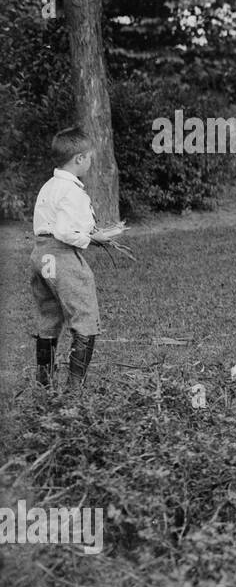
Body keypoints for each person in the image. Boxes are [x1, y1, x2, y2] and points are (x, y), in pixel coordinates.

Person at [30, 127, 117, 390]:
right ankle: (74, 388)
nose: (90, 162)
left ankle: (44, 384)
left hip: (41, 255)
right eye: (89, 157)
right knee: (85, 316)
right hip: (62, 255)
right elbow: (66, 232)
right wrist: (92, 239)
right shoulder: (72, 191)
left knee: (48, 317)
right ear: (79, 158)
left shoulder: (49, 186)